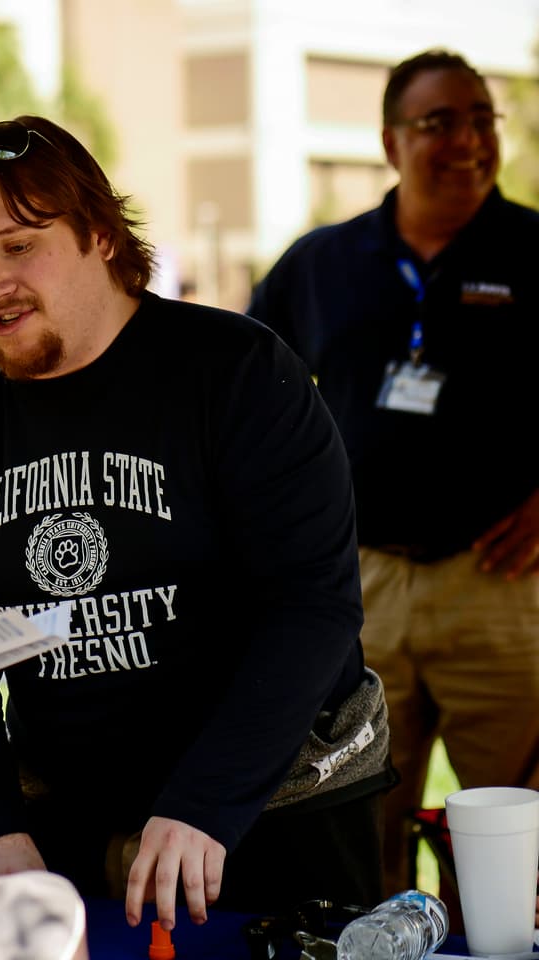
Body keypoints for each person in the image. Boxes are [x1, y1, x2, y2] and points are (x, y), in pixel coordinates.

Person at [0, 116, 394, 930]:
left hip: (272, 819)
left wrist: (205, 804)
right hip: (72, 839)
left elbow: (313, 606)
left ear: (100, 232)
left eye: (19, 245)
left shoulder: (239, 373)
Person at [247, 49, 539, 896]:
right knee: (358, 824)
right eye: (439, 122)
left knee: (511, 841)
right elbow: (240, 402)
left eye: (483, 119)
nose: (468, 140)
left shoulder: (533, 249)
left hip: (503, 592)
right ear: (388, 142)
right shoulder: (322, 262)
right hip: (358, 589)